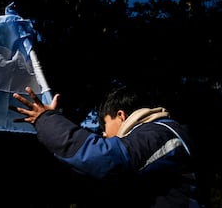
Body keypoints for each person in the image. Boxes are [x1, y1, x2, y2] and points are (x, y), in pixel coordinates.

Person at [11, 85, 202, 208]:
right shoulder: (161, 134)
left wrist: (45, 119)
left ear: (121, 115)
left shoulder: (159, 134)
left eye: (105, 124)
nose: (104, 134)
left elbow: (102, 158)